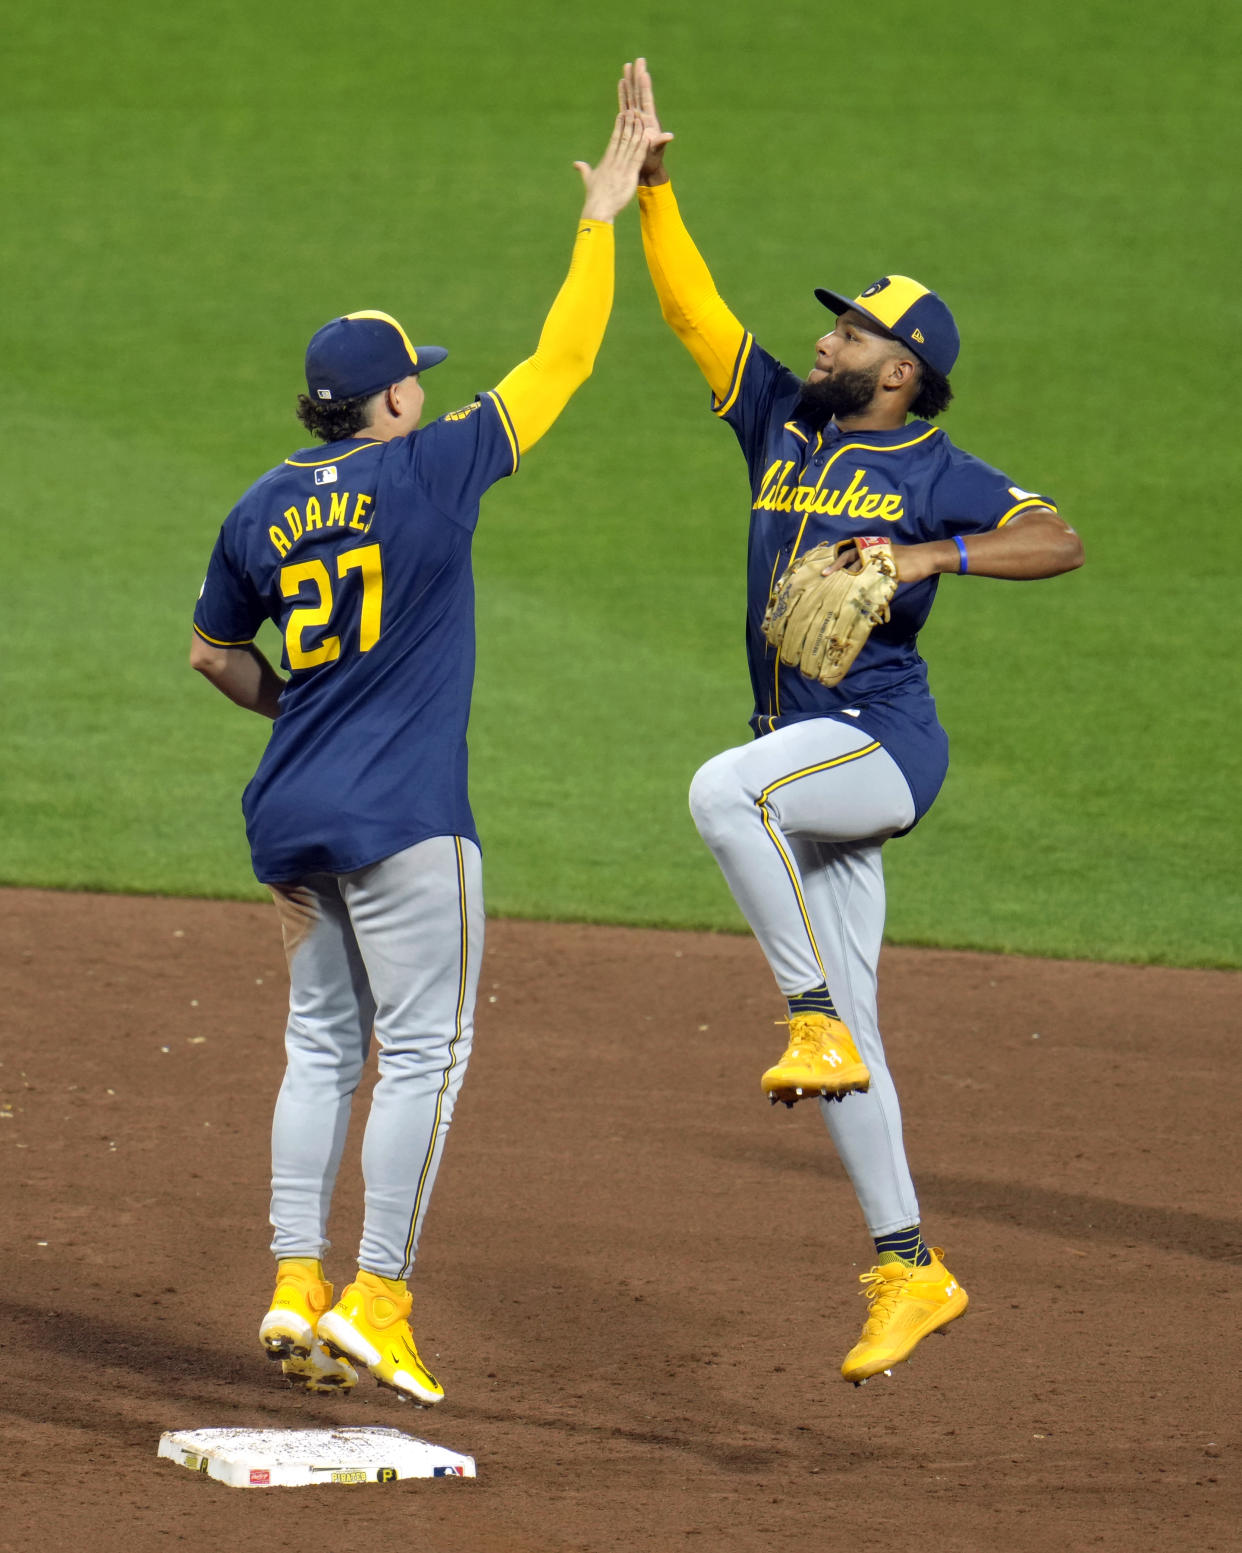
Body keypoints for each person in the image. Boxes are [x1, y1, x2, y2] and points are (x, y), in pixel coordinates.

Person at [620, 59, 1083, 1385]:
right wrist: (655, 190)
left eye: (849, 335)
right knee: (855, 1053)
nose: (821, 341)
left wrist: (934, 558)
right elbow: (692, 311)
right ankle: (907, 1264)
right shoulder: (779, 421)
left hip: (878, 747)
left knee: (724, 791)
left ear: (902, 370)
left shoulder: (937, 470)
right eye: (827, 329)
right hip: (809, 759)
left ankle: (805, 1012)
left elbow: (1056, 541)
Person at [189, 109, 653, 1404]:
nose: (427, 392)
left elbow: (212, 656)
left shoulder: (256, 506)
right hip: (404, 818)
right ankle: (377, 1295)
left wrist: (299, 706)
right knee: (427, 1051)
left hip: (289, 818)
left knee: (322, 1045)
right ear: (391, 399)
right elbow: (561, 359)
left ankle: (293, 1279)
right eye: (416, 380)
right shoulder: (434, 469)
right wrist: (598, 219)